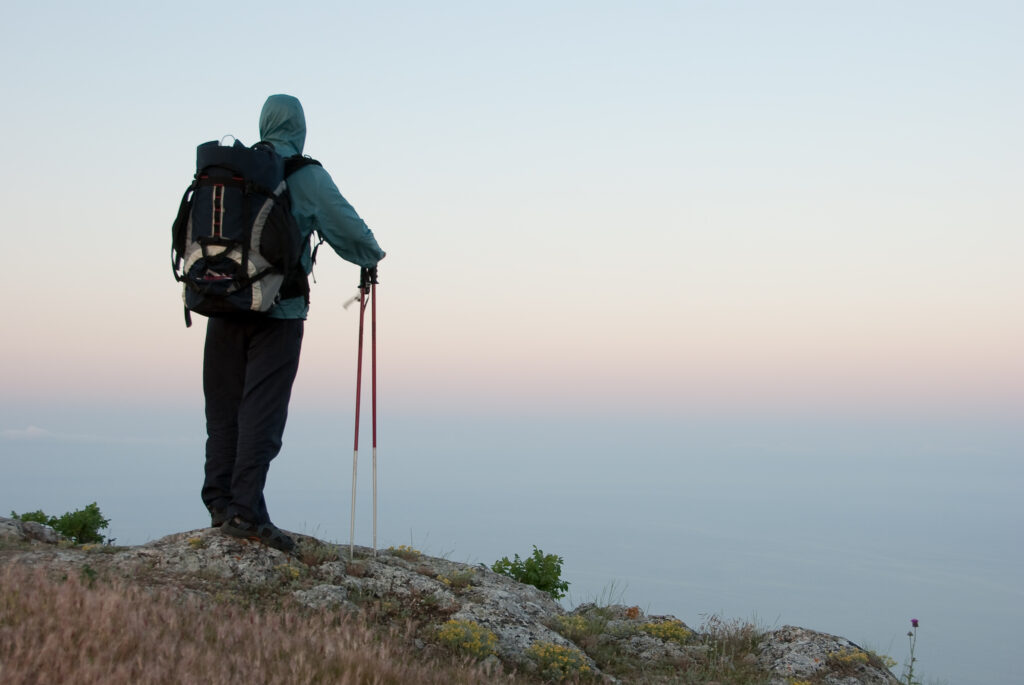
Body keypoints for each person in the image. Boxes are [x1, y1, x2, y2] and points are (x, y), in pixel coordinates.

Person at [201, 94, 385, 552]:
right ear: (299, 128)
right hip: (278, 313)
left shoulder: (230, 173)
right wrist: (371, 258)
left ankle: (222, 503)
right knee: (261, 415)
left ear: (264, 124)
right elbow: (351, 232)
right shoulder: (305, 175)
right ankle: (246, 512)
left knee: (223, 411)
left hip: (222, 305)